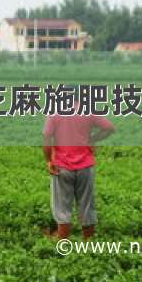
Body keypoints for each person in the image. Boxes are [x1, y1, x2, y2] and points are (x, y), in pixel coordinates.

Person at [42, 102, 115, 241]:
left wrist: (49, 161)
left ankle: (62, 239)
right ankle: (88, 240)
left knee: (62, 205)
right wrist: (92, 139)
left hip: (61, 166)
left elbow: (46, 138)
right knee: (86, 203)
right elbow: (109, 128)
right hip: (85, 166)